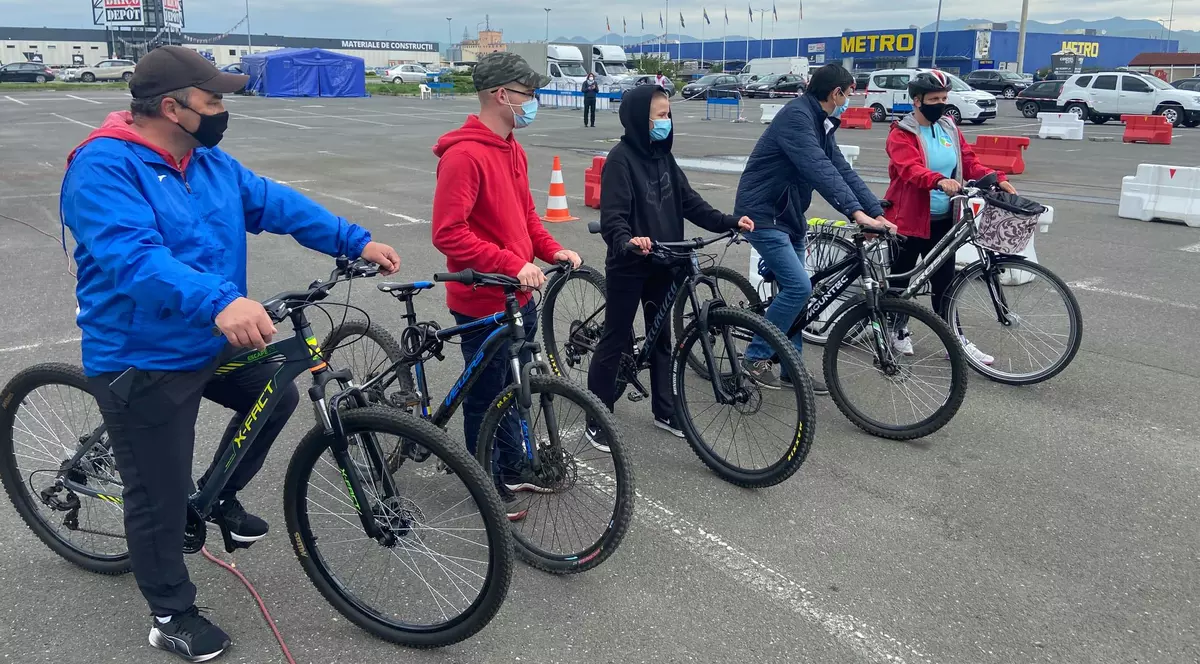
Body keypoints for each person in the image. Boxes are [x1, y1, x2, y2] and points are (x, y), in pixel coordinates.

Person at [60, 46, 400, 662]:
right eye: (213, 100)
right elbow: (135, 260)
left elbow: (275, 203)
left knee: (276, 393)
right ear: (173, 107)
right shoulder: (104, 168)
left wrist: (354, 239)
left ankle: (217, 496)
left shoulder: (207, 161)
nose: (222, 110)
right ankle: (169, 613)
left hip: (209, 338)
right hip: (143, 354)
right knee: (157, 494)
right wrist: (221, 301)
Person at [431, 52, 582, 515]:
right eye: (528, 94)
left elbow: (526, 217)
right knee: (485, 395)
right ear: (502, 95)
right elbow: (448, 232)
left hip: (519, 296)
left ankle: (514, 467)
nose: (532, 102)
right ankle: (484, 482)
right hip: (482, 300)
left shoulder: (511, 147)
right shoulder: (464, 155)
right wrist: (510, 264)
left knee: (517, 389)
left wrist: (550, 249)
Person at [586, 85, 754, 448]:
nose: (666, 121)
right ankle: (597, 414)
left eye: (668, 115)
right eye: (660, 115)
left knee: (662, 339)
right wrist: (628, 240)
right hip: (631, 264)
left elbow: (690, 202)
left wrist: (728, 221)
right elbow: (613, 217)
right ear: (638, 119)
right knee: (614, 339)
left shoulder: (665, 157)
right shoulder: (619, 160)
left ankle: (664, 409)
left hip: (666, 261)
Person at [733, 63, 894, 393]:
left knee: (799, 295)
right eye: (849, 94)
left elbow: (841, 170)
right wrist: (854, 212)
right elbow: (819, 170)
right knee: (798, 288)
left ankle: (791, 368)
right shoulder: (797, 118)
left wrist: (874, 212)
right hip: (762, 215)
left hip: (790, 216)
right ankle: (756, 355)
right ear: (835, 93)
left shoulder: (821, 123)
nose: (851, 100)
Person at [883, 70, 1017, 365]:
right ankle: (894, 328)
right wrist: (937, 180)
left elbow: (968, 160)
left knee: (945, 283)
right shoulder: (901, 132)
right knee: (900, 280)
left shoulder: (948, 126)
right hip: (908, 219)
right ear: (917, 100)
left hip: (944, 217)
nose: (941, 104)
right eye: (934, 99)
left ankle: (954, 339)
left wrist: (996, 177)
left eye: (944, 98)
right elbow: (909, 169)